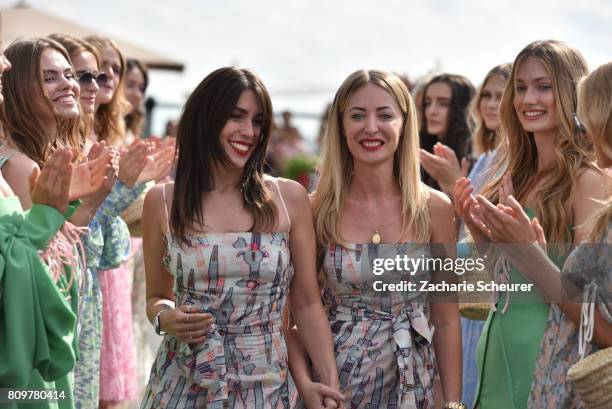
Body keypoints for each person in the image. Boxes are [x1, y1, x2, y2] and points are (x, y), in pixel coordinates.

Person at [140, 67, 340, 408]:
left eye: (258, 121)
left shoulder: (289, 198)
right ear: (207, 118)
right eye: (236, 117)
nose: (249, 131)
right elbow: (156, 297)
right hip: (184, 380)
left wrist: (329, 384)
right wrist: (165, 317)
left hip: (266, 384)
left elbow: (306, 302)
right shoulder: (161, 201)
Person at [289, 69, 463, 408]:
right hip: (335, 391)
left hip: (414, 389)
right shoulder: (315, 210)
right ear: (340, 126)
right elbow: (291, 314)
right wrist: (307, 385)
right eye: (357, 115)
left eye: (385, 115)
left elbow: (446, 316)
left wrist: (454, 404)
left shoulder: (435, 209)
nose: (371, 127)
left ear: (404, 123)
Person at [454, 40, 609, 409]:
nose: (528, 99)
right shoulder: (514, 176)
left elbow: (594, 312)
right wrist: (479, 232)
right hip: (491, 360)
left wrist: (526, 251)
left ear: (572, 93)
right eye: (520, 88)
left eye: (544, 87)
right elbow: (507, 286)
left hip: (547, 370)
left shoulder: (587, 179)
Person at [0, 37, 112, 409]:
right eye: (50, 78)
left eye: (68, 75)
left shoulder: (38, 159)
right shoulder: (21, 167)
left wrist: (92, 198)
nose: (69, 84)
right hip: (29, 363)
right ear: (16, 91)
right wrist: (92, 203)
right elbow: (40, 275)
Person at [420, 74, 475, 191]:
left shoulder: (475, 159)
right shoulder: (420, 149)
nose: (431, 111)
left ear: (462, 108)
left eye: (443, 103)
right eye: (428, 102)